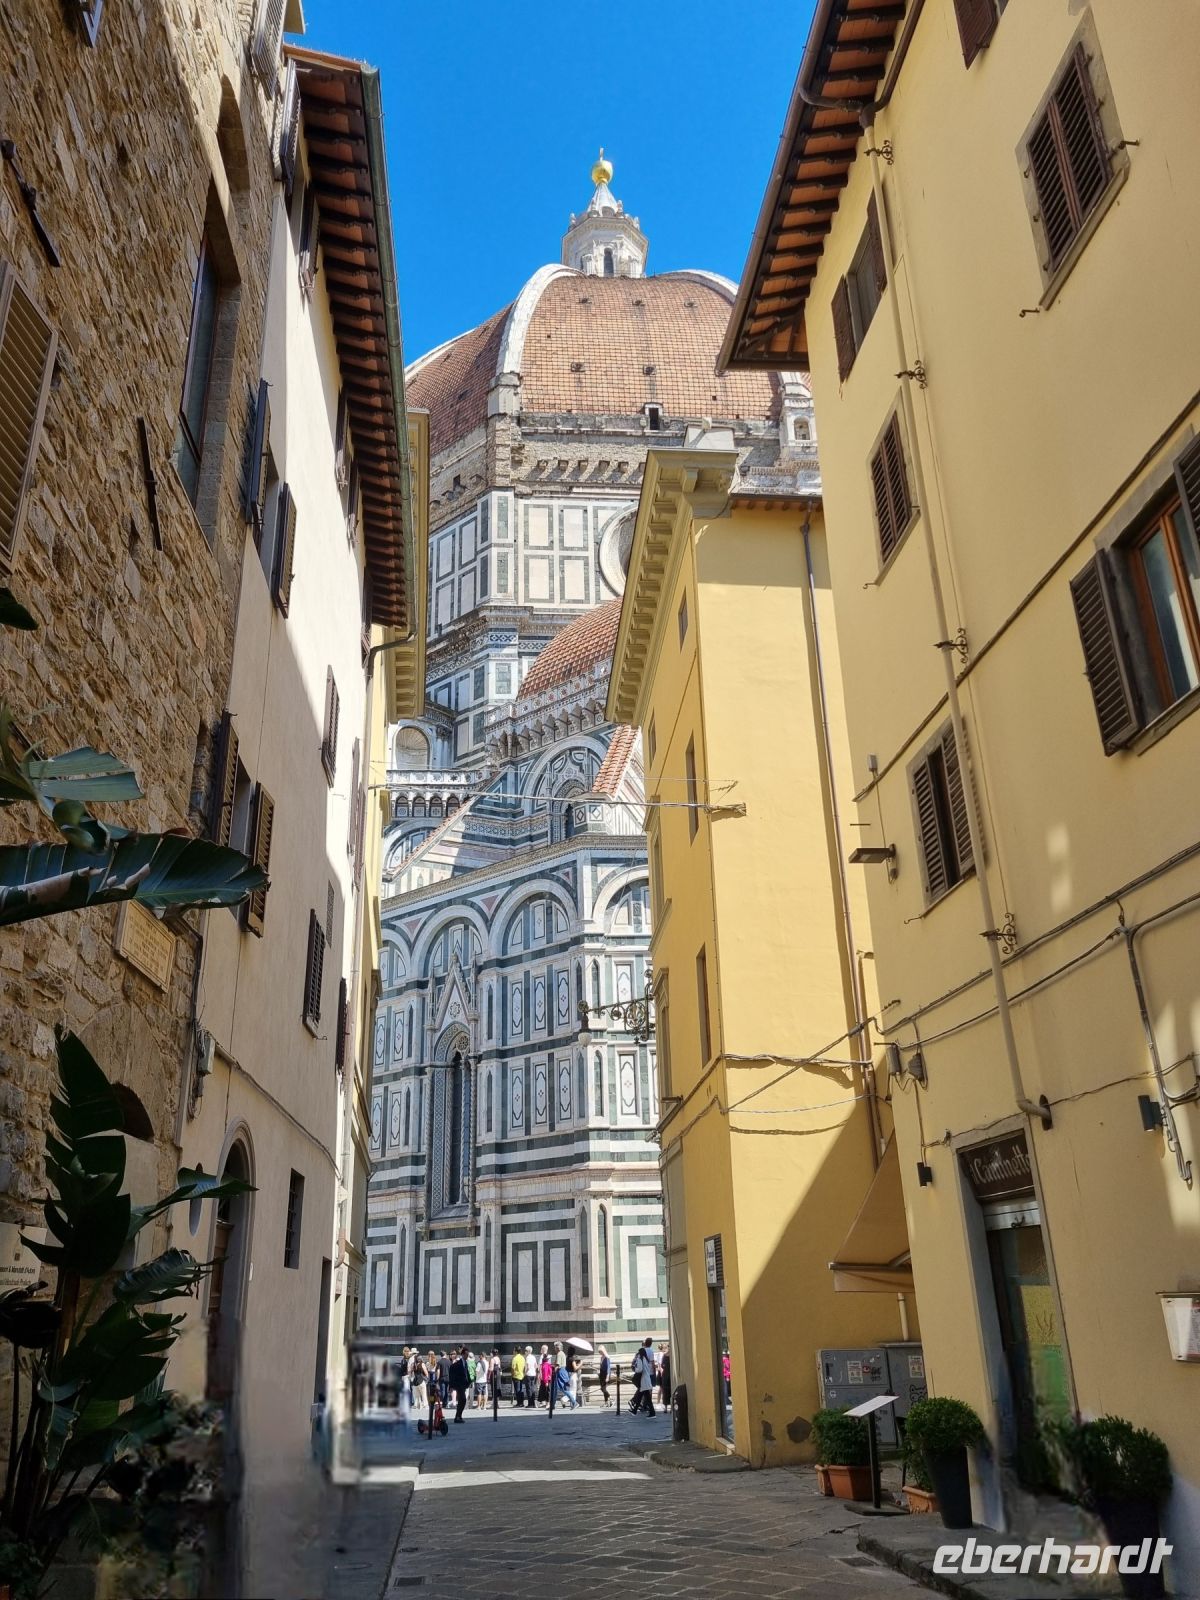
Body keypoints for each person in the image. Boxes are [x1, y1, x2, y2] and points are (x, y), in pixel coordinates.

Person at [632, 1336, 657, 1416]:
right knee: (646, 1392)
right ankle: (640, 1408)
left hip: (644, 1377)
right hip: (648, 1375)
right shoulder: (649, 1353)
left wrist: (636, 1370)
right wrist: (654, 1372)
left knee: (642, 1392)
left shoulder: (641, 1356)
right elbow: (652, 1363)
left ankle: (637, 1406)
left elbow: (639, 1369)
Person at [449, 1346, 470, 1424]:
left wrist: (468, 1382)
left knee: (462, 1400)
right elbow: (452, 1371)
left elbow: (466, 1373)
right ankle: (458, 1416)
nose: (467, 1356)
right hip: (459, 1384)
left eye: (468, 1354)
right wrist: (452, 1384)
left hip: (464, 1384)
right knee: (463, 1399)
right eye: (466, 1354)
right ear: (463, 1354)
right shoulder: (458, 1363)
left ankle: (458, 1416)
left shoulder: (465, 1363)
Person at [659, 1344, 672, 1410]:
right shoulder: (672, 1355)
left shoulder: (665, 1355)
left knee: (665, 1391)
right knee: (671, 1390)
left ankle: (666, 1408)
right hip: (671, 1374)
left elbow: (662, 1365)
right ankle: (671, 1407)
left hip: (665, 1374)